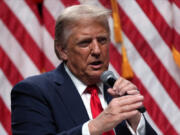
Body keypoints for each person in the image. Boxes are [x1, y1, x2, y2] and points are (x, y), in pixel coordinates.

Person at [11, 4, 157, 135]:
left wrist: (136, 120)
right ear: (62, 51)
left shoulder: (117, 92)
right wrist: (94, 127)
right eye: (85, 43)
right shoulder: (33, 92)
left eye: (102, 40)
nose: (97, 50)